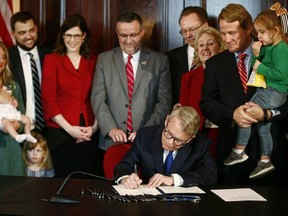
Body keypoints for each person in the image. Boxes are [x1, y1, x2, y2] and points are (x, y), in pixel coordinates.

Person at [200, 3, 288, 185]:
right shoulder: (215, 64)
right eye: (223, 33)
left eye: (232, 33)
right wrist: (232, 114)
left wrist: (266, 114)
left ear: (248, 28)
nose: (226, 39)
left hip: (272, 158)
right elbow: (207, 103)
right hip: (232, 160)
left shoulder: (275, 52)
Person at [91, 12, 172, 152]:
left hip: (148, 141)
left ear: (142, 32)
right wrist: (111, 129)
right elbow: (97, 98)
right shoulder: (104, 60)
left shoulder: (160, 61)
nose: (128, 40)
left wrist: (145, 131)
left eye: (133, 35)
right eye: (123, 36)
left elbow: (164, 101)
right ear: (117, 33)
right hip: (112, 143)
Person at [224, 8, 288, 179]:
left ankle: (239, 150)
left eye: (261, 32)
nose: (258, 36)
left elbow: (282, 74)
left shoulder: (282, 49)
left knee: (246, 111)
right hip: (269, 90)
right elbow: (256, 64)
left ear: (274, 31)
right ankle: (266, 161)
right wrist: (257, 56)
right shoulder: (268, 46)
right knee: (262, 127)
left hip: (275, 92)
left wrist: (261, 67)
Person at [41, 14, 99, 177]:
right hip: (60, 131)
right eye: (68, 35)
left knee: (88, 179)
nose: (72, 40)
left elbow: (101, 96)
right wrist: (69, 129)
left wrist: (94, 128)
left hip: (89, 130)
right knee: (65, 180)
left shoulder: (95, 61)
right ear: (62, 36)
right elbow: (48, 99)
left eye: (76, 35)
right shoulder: (52, 60)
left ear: (84, 36)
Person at [114, 106, 217, 189]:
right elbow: (124, 165)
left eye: (179, 140)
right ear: (166, 120)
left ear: (190, 138)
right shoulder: (145, 136)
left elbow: (210, 175)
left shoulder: (200, 143)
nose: (170, 142)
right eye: (168, 133)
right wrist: (126, 178)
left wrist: (173, 180)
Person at [179, 27, 226, 158]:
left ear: (220, 46)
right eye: (201, 45)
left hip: (224, 135)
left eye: (210, 44)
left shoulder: (229, 74)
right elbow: (184, 112)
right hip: (197, 137)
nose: (205, 48)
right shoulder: (188, 78)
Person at [8, 11, 51, 131]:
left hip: (50, 128)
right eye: (22, 33)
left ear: (36, 29)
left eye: (31, 30)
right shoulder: (7, 59)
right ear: (13, 33)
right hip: (19, 128)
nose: (28, 36)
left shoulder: (50, 55)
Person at [167, 6, 209, 104]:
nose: (188, 35)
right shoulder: (170, 58)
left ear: (206, 26)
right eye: (184, 31)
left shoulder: (220, 55)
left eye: (192, 29)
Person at [0, 41, 26, 176]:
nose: (1, 61)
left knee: (14, 194)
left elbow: (22, 116)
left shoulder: (13, 86)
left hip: (12, 150)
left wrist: (17, 125)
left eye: (3, 57)